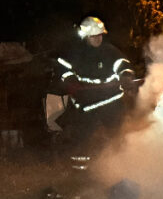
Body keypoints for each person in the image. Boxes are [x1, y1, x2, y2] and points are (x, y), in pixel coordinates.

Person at [53, 16, 136, 165]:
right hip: (87, 104)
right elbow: (62, 67)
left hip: (111, 101)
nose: (98, 39)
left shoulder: (109, 51)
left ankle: (123, 165)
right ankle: (79, 170)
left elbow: (122, 64)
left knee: (118, 136)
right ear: (85, 36)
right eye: (93, 36)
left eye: (100, 35)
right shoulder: (75, 53)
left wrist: (126, 76)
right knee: (81, 140)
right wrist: (70, 79)